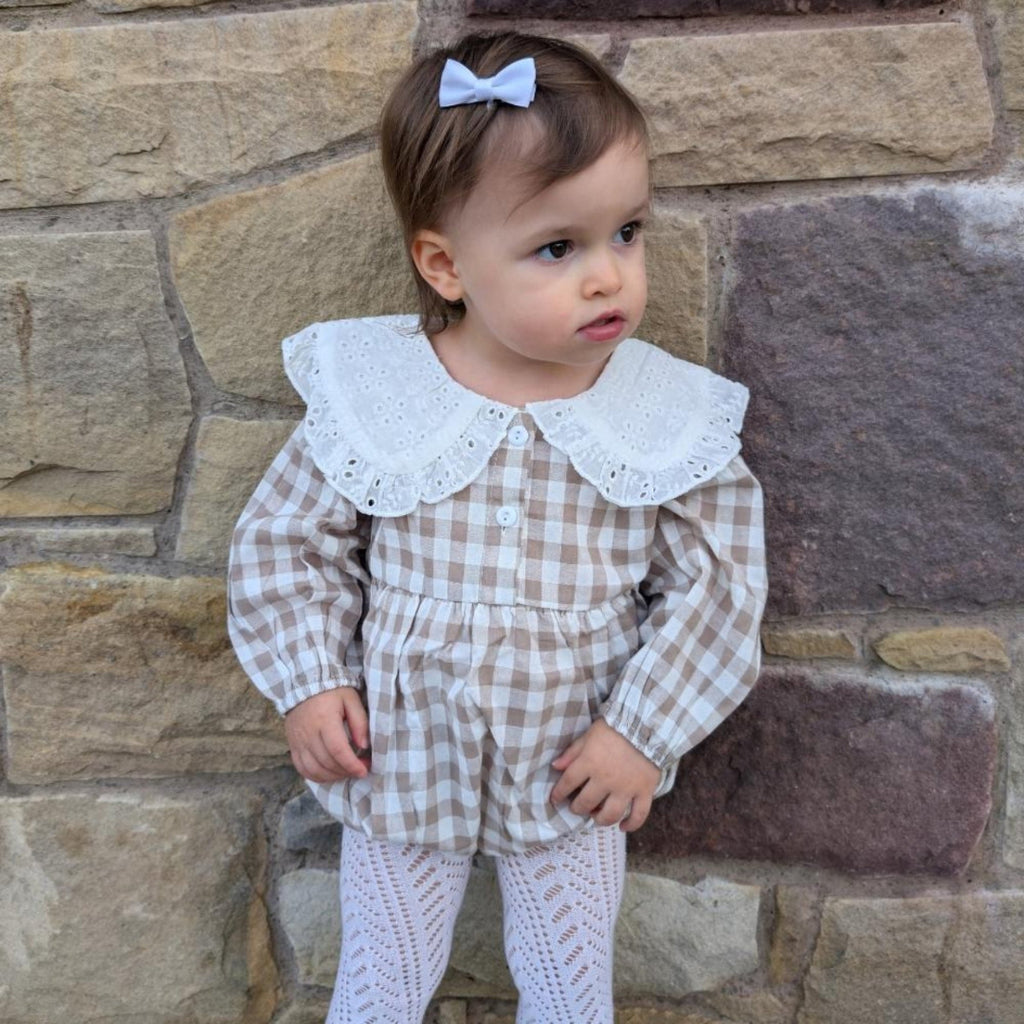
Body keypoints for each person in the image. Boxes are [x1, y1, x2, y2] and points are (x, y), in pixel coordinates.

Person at [227, 31, 768, 1024]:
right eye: (557, 247)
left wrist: (640, 733)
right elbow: (287, 542)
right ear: (444, 264)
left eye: (627, 232)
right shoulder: (379, 393)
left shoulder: (660, 413)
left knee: (568, 984)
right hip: (400, 755)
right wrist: (310, 678)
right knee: (381, 978)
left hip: (575, 766)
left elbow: (718, 587)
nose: (607, 276)